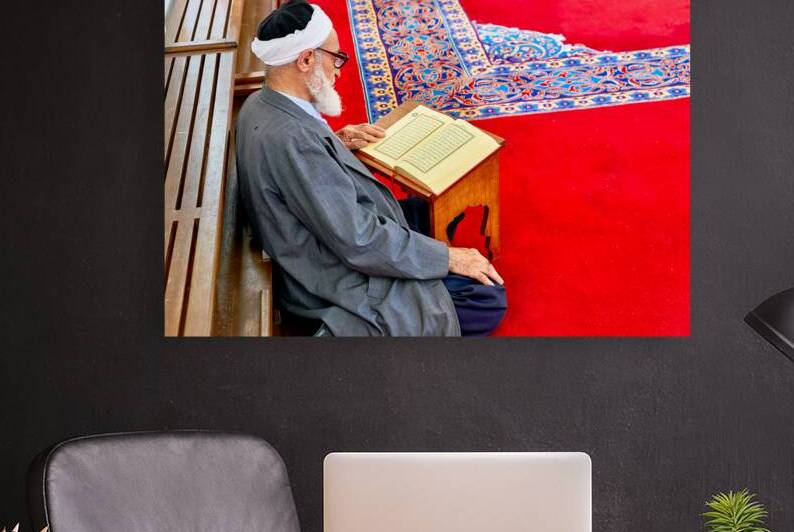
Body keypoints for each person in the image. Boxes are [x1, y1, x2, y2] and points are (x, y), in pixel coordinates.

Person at [235, 0, 506, 336]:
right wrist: (448, 259)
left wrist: (335, 142)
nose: (338, 70)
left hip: (327, 236)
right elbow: (357, 240)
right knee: (486, 299)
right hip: (330, 275)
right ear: (305, 59)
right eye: (336, 58)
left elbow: (302, 171)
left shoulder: (261, 102)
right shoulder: (294, 140)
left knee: (423, 211)